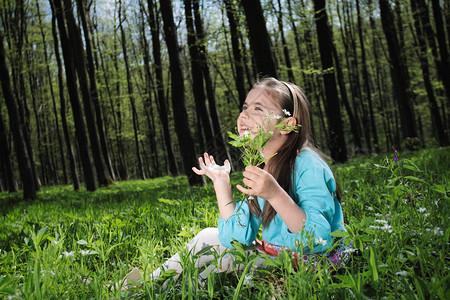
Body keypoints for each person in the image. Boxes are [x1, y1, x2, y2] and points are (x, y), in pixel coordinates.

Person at [118, 77, 348, 290]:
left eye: (258, 109)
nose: (244, 115)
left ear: (287, 125)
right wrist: (221, 185)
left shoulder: (308, 165)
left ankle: (152, 291)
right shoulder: (261, 164)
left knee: (221, 265)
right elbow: (236, 239)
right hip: (276, 255)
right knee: (208, 236)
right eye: (245, 107)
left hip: (310, 265)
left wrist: (275, 194)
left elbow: (318, 239)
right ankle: (146, 284)